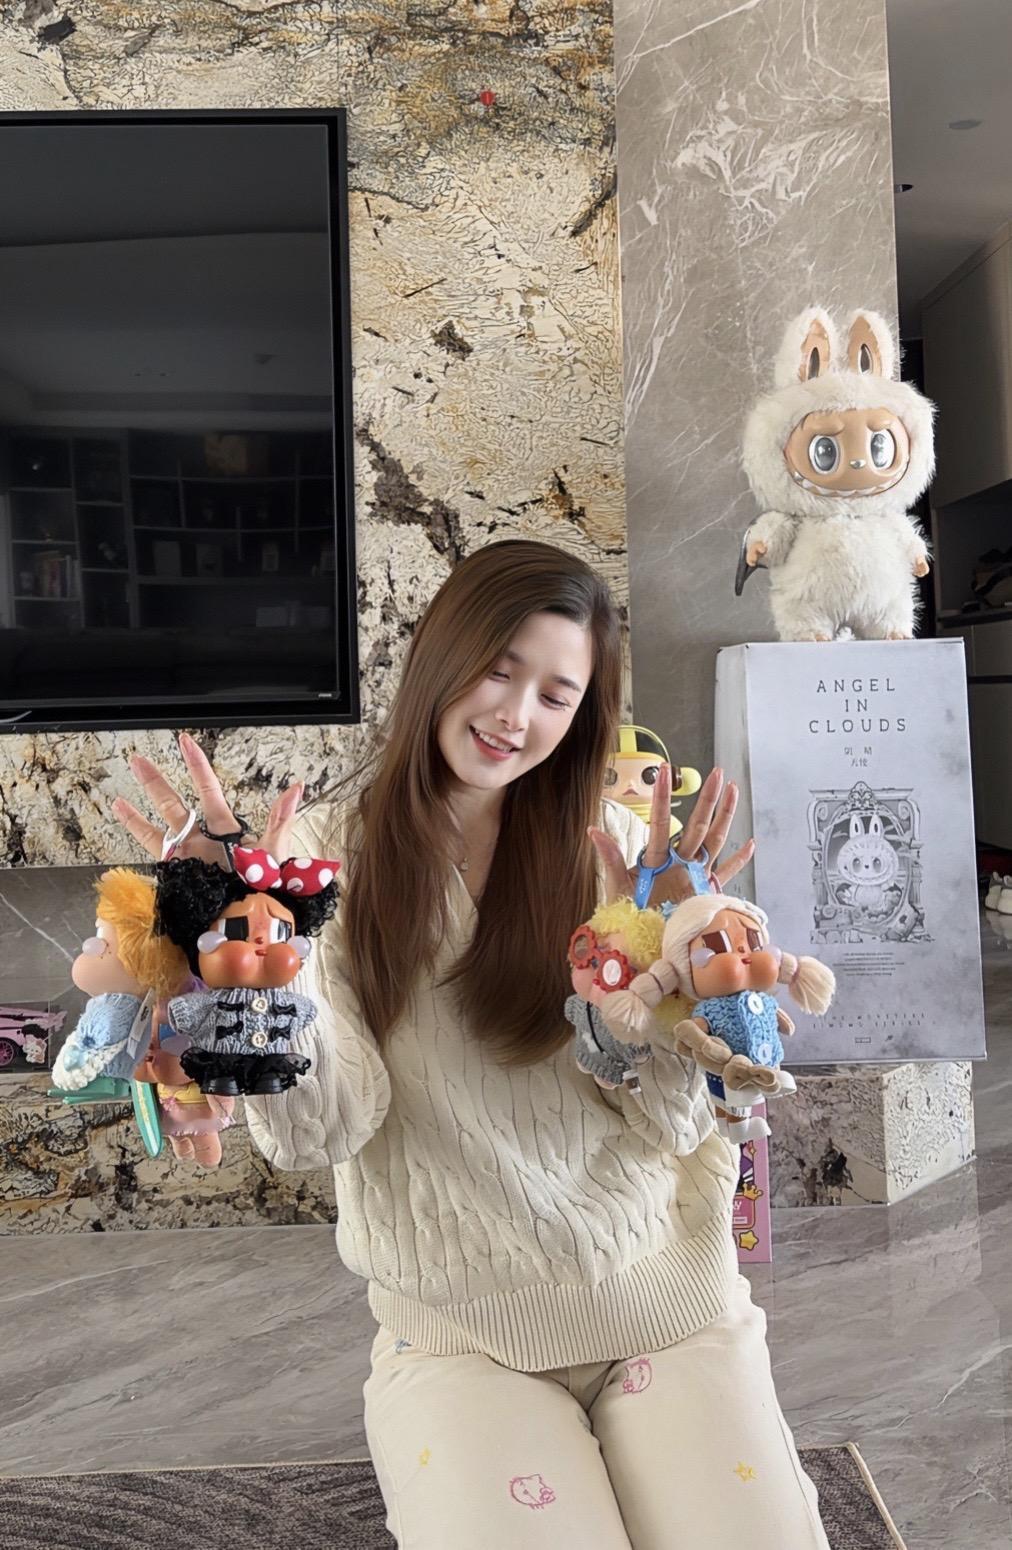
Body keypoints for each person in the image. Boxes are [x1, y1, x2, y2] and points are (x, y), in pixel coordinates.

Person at [112, 540, 829, 1548]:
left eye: (555, 694)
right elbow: (318, 1134)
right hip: (459, 1335)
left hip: (667, 1300)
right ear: (440, 656)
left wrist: (674, 1005)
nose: (515, 714)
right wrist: (259, 974)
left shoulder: (617, 850)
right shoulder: (315, 864)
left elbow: (674, 1129)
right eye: (499, 669)